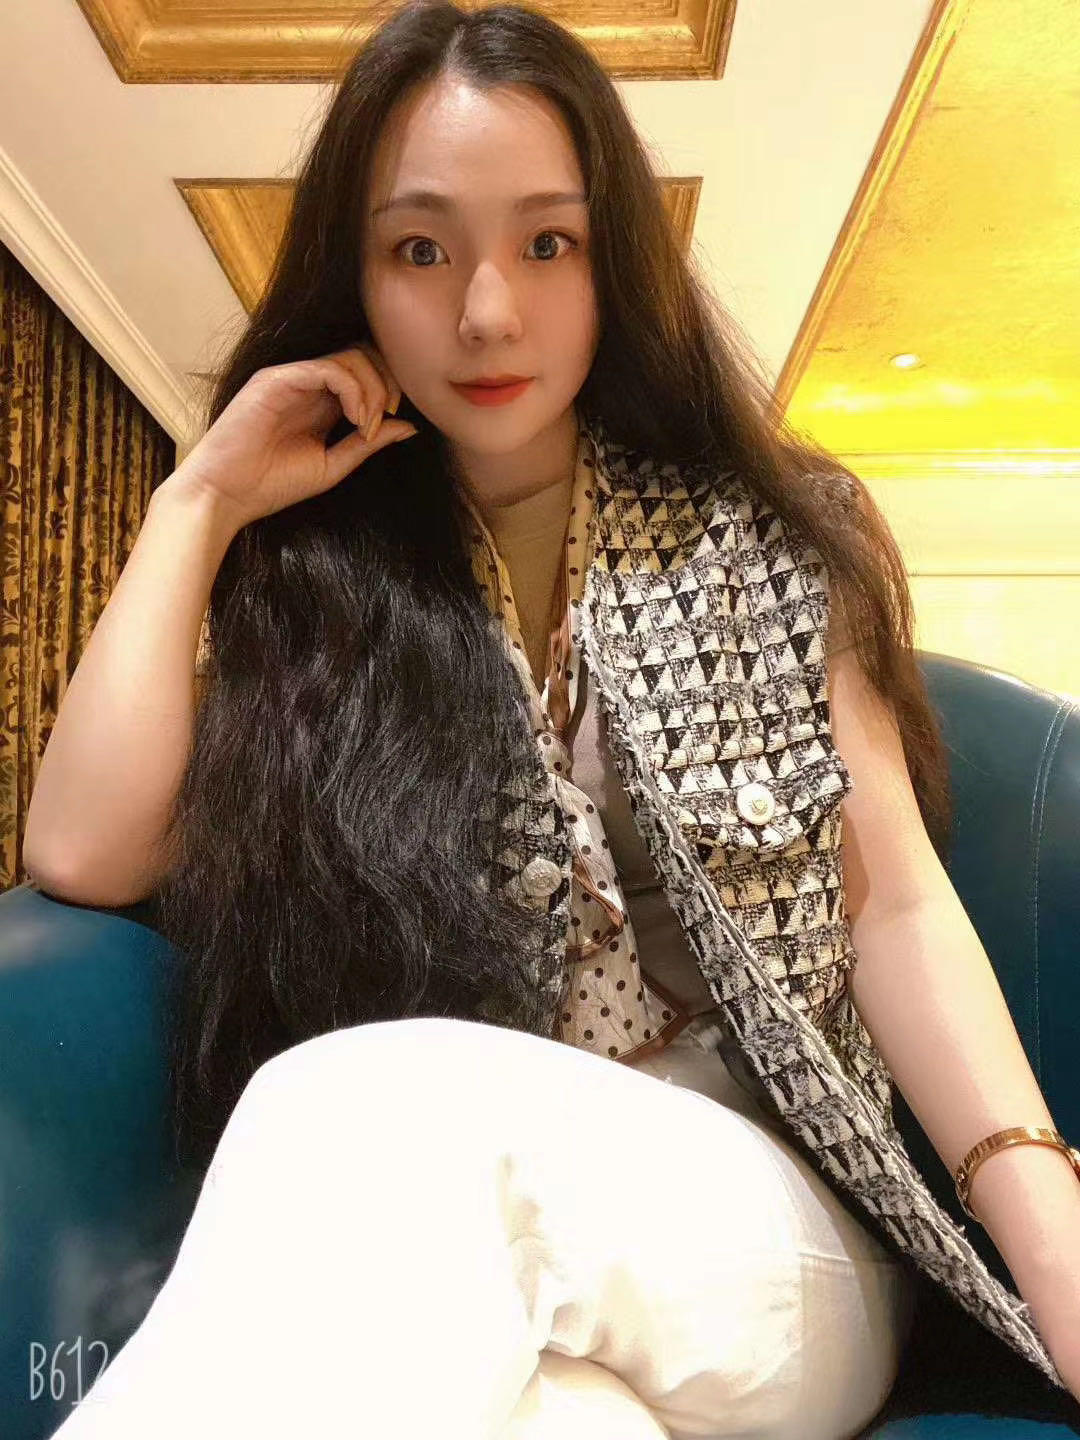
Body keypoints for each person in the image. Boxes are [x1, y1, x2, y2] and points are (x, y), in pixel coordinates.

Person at [26, 1, 1079, 1435]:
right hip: (488, 1244)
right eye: (420, 249)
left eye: (548, 243)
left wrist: (1050, 1242)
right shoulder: (327, 581)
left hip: (774, 1231)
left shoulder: (762, 533)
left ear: (615, 259)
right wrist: (196, 501)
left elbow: (889, 904)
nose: (486, 313)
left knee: (367, 1105)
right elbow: (86, 853)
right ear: (355, 276)